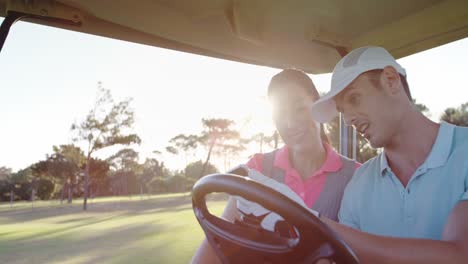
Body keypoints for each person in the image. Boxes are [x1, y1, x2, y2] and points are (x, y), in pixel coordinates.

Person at [310, 46, 468, 263]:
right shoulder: (359, 183)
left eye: (354, 99)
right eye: (342, 110)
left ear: (391, 80)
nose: (348, 120)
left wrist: (317, 222)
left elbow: (460, 256)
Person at [191, 69, 359, 263]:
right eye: (280, 114)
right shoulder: (258, 168)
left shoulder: (357, 175)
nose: (290, 123)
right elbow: (223, 237)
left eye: (299, 109)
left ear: (317, 105)